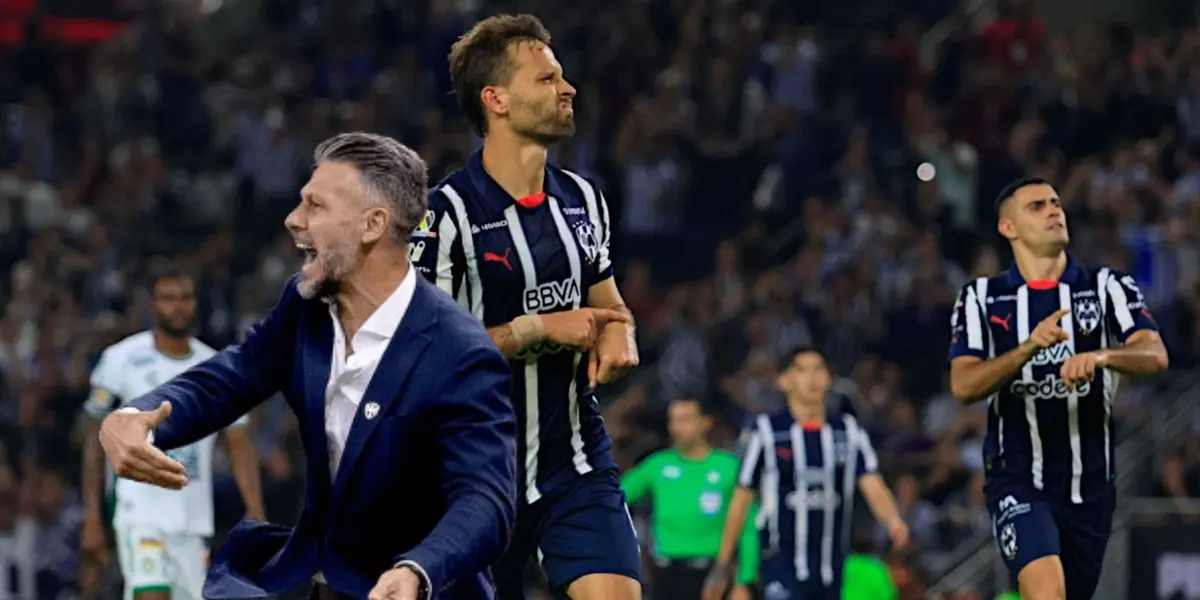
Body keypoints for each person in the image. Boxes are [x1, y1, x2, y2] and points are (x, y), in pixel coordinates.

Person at [97, 132, 517, 600]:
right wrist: (137, 417)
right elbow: (231, 376)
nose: (293, 221)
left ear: (372, 225)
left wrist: (419, 569)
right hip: (318, 579)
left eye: (315, 206)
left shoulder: (459, 351)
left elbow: (486, 501)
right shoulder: (305, 309)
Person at [415, 14, 640, 600]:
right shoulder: (445, 216)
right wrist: (537, 328)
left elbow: (609, 305)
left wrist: (620, 333)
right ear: (497, 100)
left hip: (575, 463)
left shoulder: (584, 198)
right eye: (546, 79)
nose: (568, 89)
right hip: (469, 478)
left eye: (561, 76)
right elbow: (419, 359)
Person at [948, 176, 1169, 600]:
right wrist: (1028, 347)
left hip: (1091, 487)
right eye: (1036, 206)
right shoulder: (981, 298)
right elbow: (964, 384)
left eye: (1055, 203)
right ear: (1007, 228)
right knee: (1047, 593)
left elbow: (1155, 355)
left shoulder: (1107, 287)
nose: (1053, 210)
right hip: (1018, 478)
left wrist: (1102, 356)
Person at [79, 266, 265, 600]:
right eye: (168, 298)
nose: (177, 306)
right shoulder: (121, 359)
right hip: (139, 510)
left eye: (185, 297)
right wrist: (92, 515)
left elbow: (239, 442)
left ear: (196, 304)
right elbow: (94, 443)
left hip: (192, 519)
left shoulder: (217, 368)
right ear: (153, 304)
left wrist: (255, 509)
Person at [702, 347, 909, 600]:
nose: (812, 378)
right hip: (781, 563)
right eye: (801, 370)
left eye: (818, 369)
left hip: (831, 566)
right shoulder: (766, 432)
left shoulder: (848, 430)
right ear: (784, 380)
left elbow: (871, 482)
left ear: (829, 378)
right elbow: (742, 497)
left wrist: (893, 521)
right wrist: (723, 562)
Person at [620, 397, 758, 600]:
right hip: (666, 574)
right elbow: (615, 499)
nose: (676, 427)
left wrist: (744, 581)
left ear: (705, 422)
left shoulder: (728, 467)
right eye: (673, 420)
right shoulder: (657, 464)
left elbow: (747, 526)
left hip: (713, 575)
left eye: (685, 419)